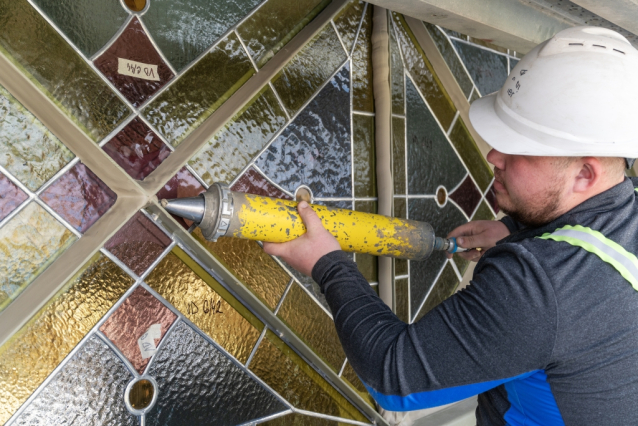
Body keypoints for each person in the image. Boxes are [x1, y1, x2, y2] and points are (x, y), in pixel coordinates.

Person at [264, 26, 638, 425]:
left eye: (521, 149)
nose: (494, 155)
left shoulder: (539, 288)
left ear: (584, 174)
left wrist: (328, 264)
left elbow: (393, 378)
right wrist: (518, 230)